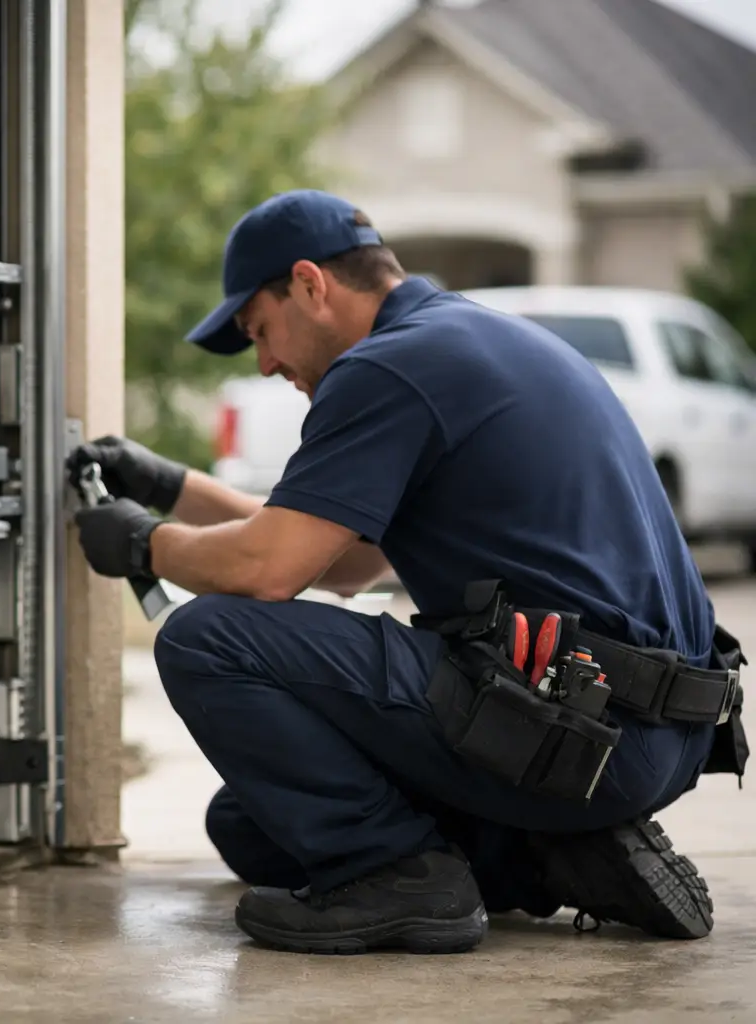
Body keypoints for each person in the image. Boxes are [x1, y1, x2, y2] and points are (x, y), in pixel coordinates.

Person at [68, 189, 745, 955]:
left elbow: (268, 570)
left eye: (260, 330)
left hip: (584, 729)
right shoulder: (472, 340)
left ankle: (400, 880)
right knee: (251, 825)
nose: (266, 363)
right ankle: (558, 852)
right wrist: (172, 486)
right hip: (649, 733)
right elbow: (347, 562)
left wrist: (144, 545)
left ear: (310, 285)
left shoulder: (388, 368)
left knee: (206, 639)